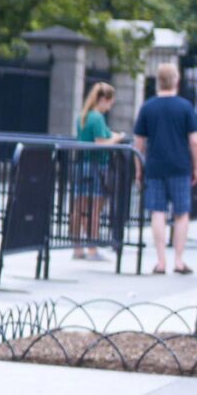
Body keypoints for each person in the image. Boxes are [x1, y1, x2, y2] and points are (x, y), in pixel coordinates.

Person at [132, 64, 197, 275]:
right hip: (180, 165)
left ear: (157, 81)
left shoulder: (148, 107)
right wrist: (196, 165)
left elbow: (139, 142)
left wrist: (139, 167)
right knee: (182, 213)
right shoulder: (185, 107)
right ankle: (179, 261)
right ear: (176, 81)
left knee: (158, 211)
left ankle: (161, 261)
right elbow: (195, 141)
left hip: (154, 165)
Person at [71, 81, 117, 261]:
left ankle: (77, 247)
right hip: (96, 166)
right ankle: (92, 247)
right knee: (95, 208)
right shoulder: (98, 117)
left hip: (81, 165)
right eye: (111, 101)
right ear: (104, 99)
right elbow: (100, 143)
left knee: (80, 207)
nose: (111, 105)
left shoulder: (83, 116)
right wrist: (116, 138)